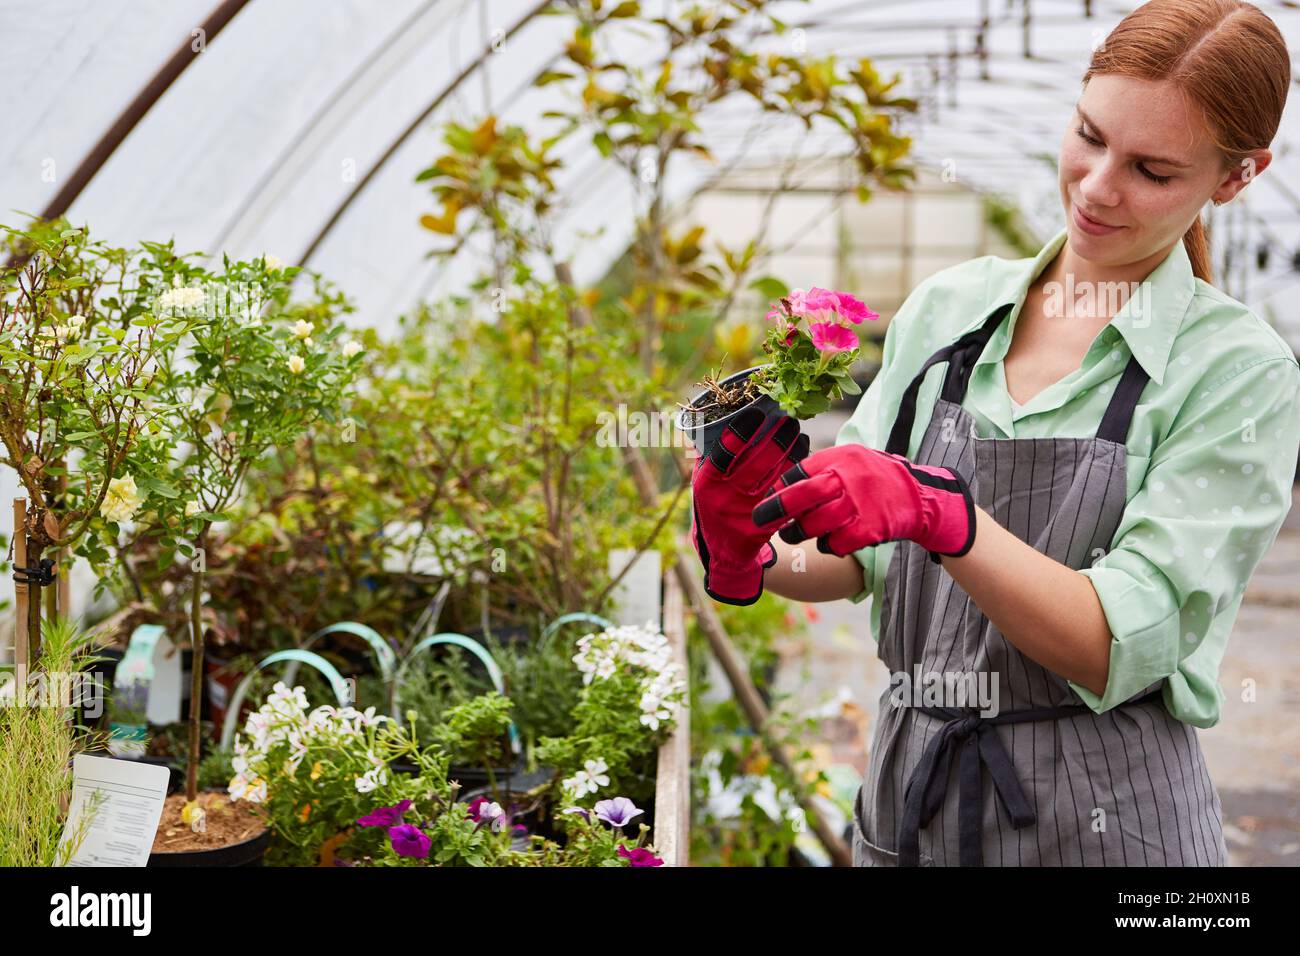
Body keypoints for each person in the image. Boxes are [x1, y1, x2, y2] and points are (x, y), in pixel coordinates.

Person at [689, 0, 1300, 866]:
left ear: (1235, 177)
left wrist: (948, 519)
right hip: (914, 806)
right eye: (1089, 135)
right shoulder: (951, 309)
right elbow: (850, 561)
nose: (1096, 186)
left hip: (1107, 828)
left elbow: (1113, 643)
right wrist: (741, 541)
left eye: (1151, 170)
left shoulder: (1238, 371)